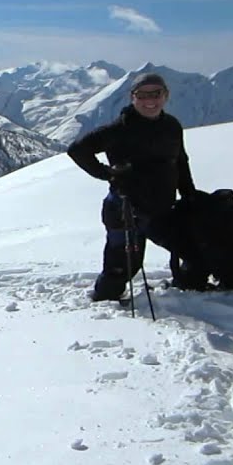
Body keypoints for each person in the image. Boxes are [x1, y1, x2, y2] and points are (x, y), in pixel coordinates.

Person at [67, 72, 196, 302]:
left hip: (163, 209)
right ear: (132, 97)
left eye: (156, 93)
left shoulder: (172, 127)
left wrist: (189, 195)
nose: (150, 100)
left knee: (192, 249)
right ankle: (103, 304)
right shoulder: (118, 130)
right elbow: (78, 149)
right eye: (143, 94)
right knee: (122, 270)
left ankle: (186, 288)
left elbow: (180, 162)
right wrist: (107, 174)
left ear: (166, 95)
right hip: (124, 211)